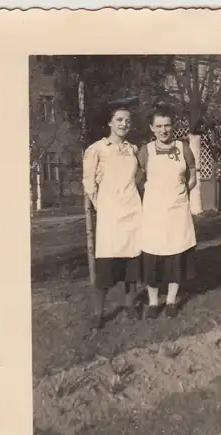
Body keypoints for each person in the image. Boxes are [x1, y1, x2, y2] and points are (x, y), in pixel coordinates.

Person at [83, 99, 143, 330]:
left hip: (133, 211)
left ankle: (130, 307)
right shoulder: (97, 149)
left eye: (127, 121)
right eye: (119, 120)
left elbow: (136, 178)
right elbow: (89, 182)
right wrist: (101, 204)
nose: (124, 124)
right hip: (110, 213)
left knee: (132, 261)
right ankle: (99, 313)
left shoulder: (133, 149)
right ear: (109, 123)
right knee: (107, 261)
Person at [138, 103, 197, 319]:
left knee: (176, 256)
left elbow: (192, 174)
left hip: (177, 212)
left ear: (173, 127)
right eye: (159, 126)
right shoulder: (146, 151)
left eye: (167, 125)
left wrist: (182, 192)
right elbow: (137, 180)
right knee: (152, 256)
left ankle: (171, 300)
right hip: (153, 214)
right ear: (152, 128)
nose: (164, 130)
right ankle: (153, 302)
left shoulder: (183, 148)